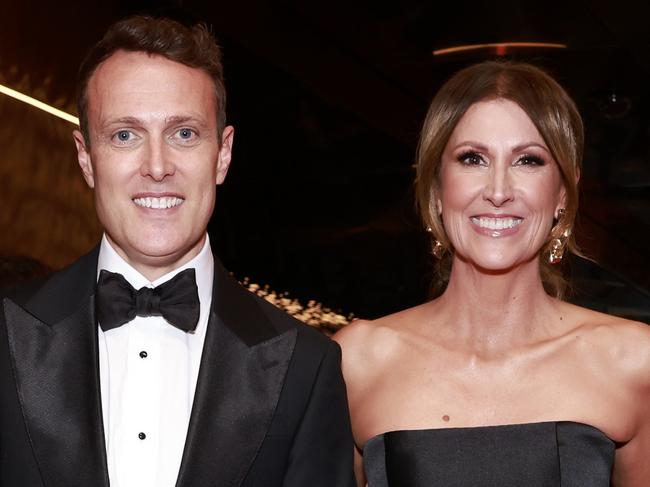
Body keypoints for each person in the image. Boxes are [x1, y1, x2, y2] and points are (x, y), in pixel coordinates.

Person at [0, 16, 354, 487]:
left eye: (183, 133)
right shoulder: (5, 333)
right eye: (125, 135)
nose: (157, 166)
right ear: (86, 158)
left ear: (222, 154)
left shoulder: (306, 366)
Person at [335, 61, 650, 486]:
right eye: (472, 158)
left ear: (563, 191)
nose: (498, 191)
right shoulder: (357, 362)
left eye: (528, 160)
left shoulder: (633, 362)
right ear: (436, 188)